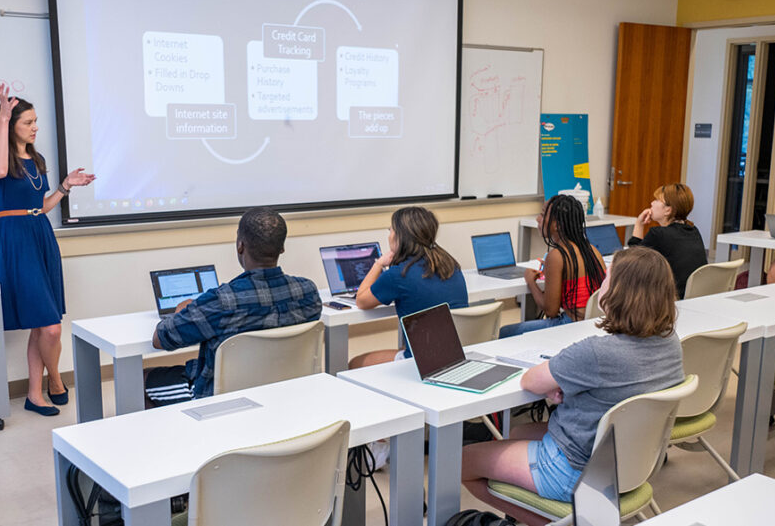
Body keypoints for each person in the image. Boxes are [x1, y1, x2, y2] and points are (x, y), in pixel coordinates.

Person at [461, 247, 684, 525]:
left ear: (620, 292)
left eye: (607, 279)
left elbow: (530, 380)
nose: (601, 284)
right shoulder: (671, 344)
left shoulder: (596, 353)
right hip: (630, 464)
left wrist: (561, 385)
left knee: (463, 461)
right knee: (518, 431)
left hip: (574, 471)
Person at [0, 84, 95, 416]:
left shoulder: (36, 158)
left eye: (35, 121)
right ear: (10, 123)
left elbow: (42, 206)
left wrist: (65, 187)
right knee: (50, 326)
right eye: (28, 122)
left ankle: (34, 394)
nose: (35, 128)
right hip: (14, 238)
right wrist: (3, 116)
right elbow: (0, 171)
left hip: (41, 233)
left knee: (43, 322)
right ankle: (56, 380)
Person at [151, 207, 321, 400]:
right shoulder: (308, 293)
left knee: (147, 378)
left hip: (219, 399)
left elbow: (161, 339)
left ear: (240, 246)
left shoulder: (221, 301)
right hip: (284, 391)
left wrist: (184, 308)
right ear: (282, 247)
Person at [348, 206, 468, 368]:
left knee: (356, 363)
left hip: (423, 361)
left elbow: (362, 300)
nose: (389, 235)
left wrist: (379, 264)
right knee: (405, 346)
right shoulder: (450, 265)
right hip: (458, 354)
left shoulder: (398, 274)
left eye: (390, 230)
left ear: (399, 236)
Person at [498, 195, 606, 338]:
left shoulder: (557, 256)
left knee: (506, 332)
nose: (538, 219)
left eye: (542, 214)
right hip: (593, 324)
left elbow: (550, 311)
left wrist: (531, 281)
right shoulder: (592, 249)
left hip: (571, 326)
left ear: (557, 225)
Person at [628, 182, 707, 299]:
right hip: (694, 298)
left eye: (656, 200)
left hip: (669, 301)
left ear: (668, 210)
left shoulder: (658, 234)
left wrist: (639, 224)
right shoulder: (693, 230)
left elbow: (632, 261)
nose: (652, 203)